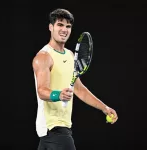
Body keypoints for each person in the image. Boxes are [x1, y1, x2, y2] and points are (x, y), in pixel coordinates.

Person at [32, 8, 118, 150]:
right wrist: (58, 94)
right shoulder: (43, 57)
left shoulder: (71, 56)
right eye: (60, 24)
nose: (64, 29)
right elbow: (41, 91)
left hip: (57, 131)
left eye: (68, 26)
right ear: (50, 27)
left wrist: (104, 107)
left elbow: (79, 89)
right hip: (53, 128)